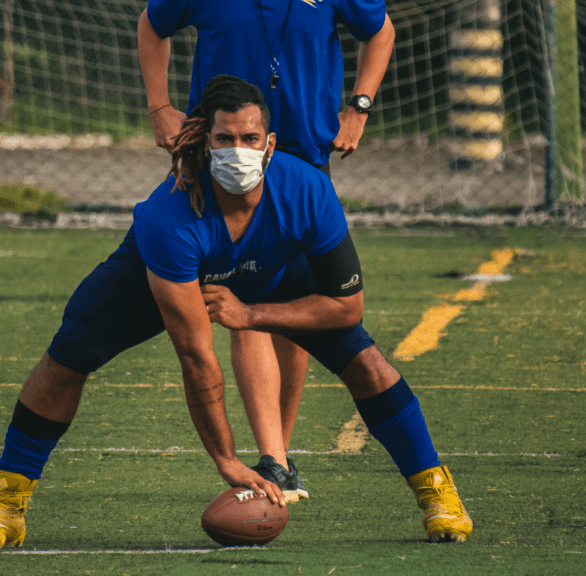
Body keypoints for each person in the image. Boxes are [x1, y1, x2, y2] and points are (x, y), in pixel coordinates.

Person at [0, 76, 472, 549]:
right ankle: (7, 500)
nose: (237, 151)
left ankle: (434, 490)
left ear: (270, 145)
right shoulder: (170, 216)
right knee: (69, 353)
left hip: (273, 273)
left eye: (250, 139)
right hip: (163, 275)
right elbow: (196, 356)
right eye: (224, 139)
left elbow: (345, 306)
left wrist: (254, 316)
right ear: (207, 144)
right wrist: (227, 461)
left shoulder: (309, 190)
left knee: (366, 362)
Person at [138, 0, 397, 501]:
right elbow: (153, 24)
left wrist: (359, 108)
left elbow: (380, 31)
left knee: (288, 309)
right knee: (242, 300)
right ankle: (274, 459)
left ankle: (278, 453)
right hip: (223, 155)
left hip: (301, 156)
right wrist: (159, 106)